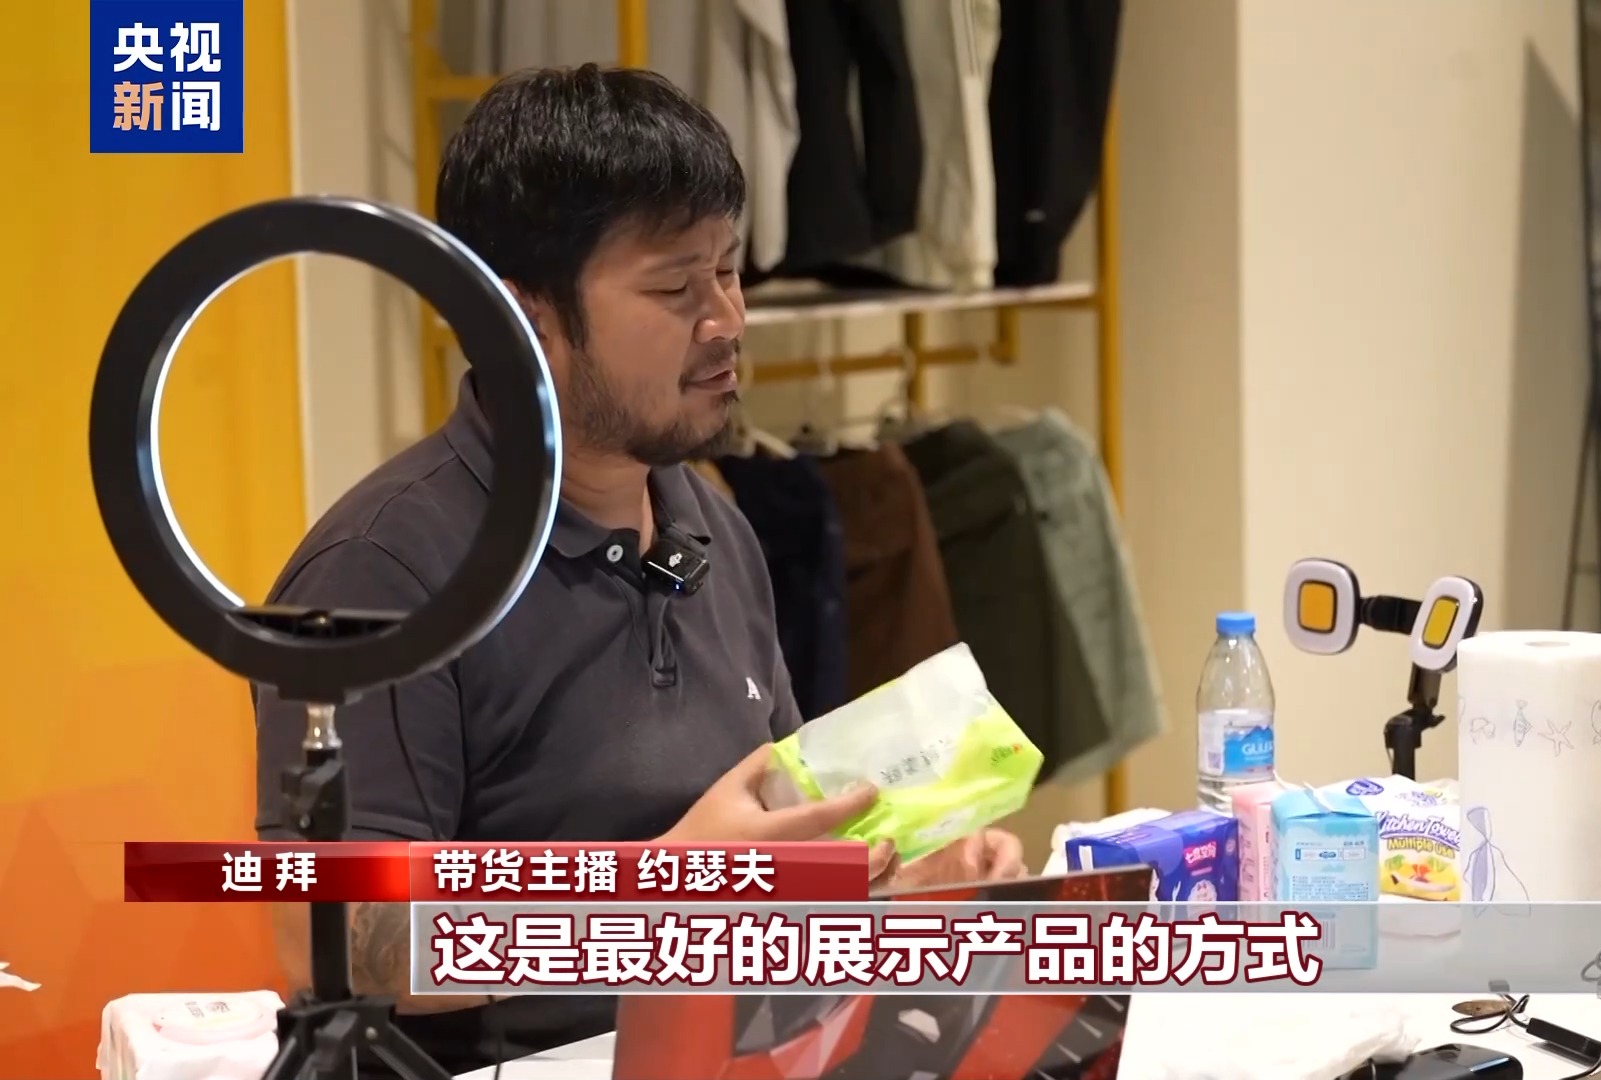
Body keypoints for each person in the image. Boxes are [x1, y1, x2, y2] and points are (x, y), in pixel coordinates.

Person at [252, 64, 1023, 1076]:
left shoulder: (712, 523)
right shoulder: (382, 571)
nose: (727, 320)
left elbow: (768, 858)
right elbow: (336, 943)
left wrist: (894, 890)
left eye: (730, 272)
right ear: (522, 321)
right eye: (674, 288)